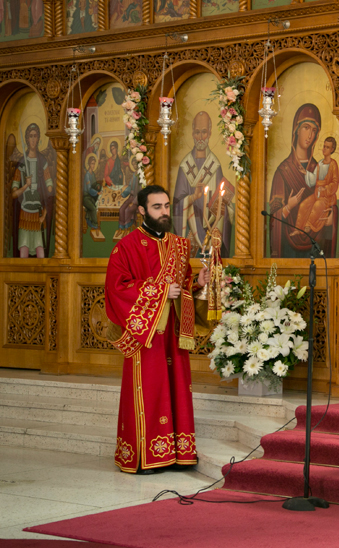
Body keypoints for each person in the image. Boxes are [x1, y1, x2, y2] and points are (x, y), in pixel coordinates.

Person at [105, 185, 210, 474]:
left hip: (172, 335)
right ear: (142, 211)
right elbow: (117, 289)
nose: (164, 212)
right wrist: (161, 292)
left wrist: (198, 282)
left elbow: (183, 285)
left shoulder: (179, 245)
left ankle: (176, 453)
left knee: (175, 389)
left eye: (166, 206)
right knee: (150, 391)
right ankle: (145, 457)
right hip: (146, 336)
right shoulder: (125, 247)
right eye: (157, 207)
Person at [268, 103, 337, 258]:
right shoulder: (283, 172)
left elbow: (329, 202)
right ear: (296, 130)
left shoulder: (319, 168)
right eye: (306, 127)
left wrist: (331, 217)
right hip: (288, 251)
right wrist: (288, 207)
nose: (310, 135)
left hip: (316, 249)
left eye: (314, 130)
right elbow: (272, 220)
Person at [172, 111, 232, 258]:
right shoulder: (184, 166)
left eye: (204, 132)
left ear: (210, 133)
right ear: (192, 133)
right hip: (190, 231)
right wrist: (193, 197)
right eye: (197, 132)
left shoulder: (215, 165)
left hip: (210, 229)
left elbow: (221, 197)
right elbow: (176, 205)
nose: (200, 137)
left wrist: (223, 205)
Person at [10, 123, 54, 258]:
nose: (33, 139)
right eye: (30, 136)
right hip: (25, 213)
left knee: (40, 250)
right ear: (27, 139)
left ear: (38, 138)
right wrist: (25, 186)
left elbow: (50, 190)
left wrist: (45, 213)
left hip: (39, 214)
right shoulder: (22, 164)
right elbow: (13, 194)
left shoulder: (43, 162)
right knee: (24, 249)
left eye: (35, 136)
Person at [291, 136, 339, 236]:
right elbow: (313, 179)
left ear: (332, 150)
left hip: (326, 197)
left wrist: (325, 188)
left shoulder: (333, 164)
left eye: (327, 147)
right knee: (303, 204)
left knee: (317, 206)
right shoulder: (320, 163)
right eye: (324, 146)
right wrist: (305, 173)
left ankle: (307, 226)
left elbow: (335, 183)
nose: (324, 149)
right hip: (316, 194)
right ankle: (298, 228)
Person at [115, 155, 141, 241]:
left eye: (135, 164)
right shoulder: (134, 175)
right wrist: (122, 195)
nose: (134, 166)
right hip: (131, 197)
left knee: (127, 210)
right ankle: (120, 228)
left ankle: (127, 229)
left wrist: (134, 202)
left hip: (137, 200)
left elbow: (141, 192)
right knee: (121, 209)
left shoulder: (140, 176)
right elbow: (129, 187)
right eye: (133, 164)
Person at [83, 154, 104, 242]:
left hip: (91, 196)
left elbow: (94, 184)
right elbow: (88, 189)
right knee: (93, 207)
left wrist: (98, 186)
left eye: (94, 163)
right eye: (92, 163)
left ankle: (92, 223)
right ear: (89, 164)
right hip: (86, 197)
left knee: (97, 204)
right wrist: (97, 192)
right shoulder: (87, 175)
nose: (93, 165)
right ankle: (95, 226)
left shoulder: (93, 174)